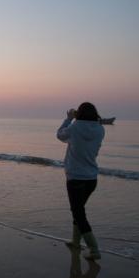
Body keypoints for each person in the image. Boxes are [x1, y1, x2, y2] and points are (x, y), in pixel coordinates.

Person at [57, 102, 105, 260]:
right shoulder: (100, 129)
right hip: (91, 178)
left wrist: (69, 119)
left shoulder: (75, 127)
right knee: (79, 210)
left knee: (78, 213)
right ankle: (75, 242)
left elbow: (60, 135)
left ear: (79, 114)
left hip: (76, 177)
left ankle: (94, 249)